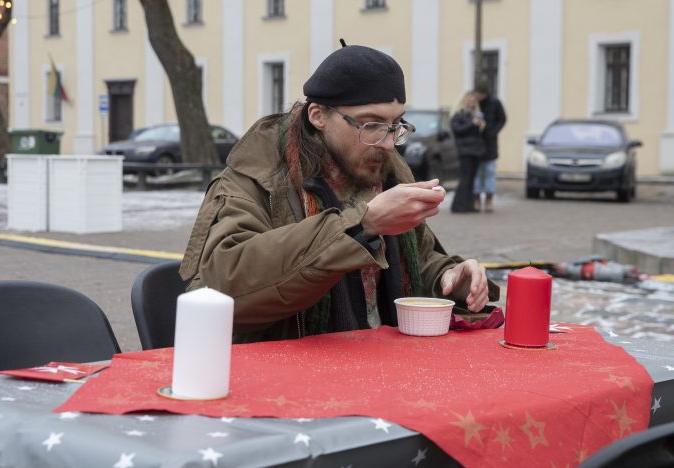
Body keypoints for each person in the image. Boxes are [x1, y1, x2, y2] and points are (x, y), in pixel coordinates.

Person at [180, 43, 499, 342]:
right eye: (370, 124)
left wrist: (450, 278)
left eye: (395, 125)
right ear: (318, 116)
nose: (388, 143)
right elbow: (222, 286)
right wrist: (362, 226)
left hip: (386, 369)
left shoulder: (386, 169)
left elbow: (417, 259)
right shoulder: (257, 176)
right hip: (286, 373)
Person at [472, 81, 507, 213]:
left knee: (489, 173)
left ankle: (488, 200)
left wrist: (493, 132)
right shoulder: (474, 103)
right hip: (475, 144)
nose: (478, 96)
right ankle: (476, 200)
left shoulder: (495, 103)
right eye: (477, 93)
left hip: (490, 144)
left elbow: (502, 119)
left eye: (480, 94)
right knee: (477, 174)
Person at [449, 92, 486, 213]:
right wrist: (472, 124)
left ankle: (468, 205)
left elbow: (478, 134)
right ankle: (458, 205)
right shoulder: (458, 115)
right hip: (465, 151)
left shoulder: (475, 115)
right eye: (469, 100)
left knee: (471, 179)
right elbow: (457, 130)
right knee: (465, 178)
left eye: (473, 100)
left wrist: (481, 125)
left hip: (475, 151)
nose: (472, 102)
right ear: (464, 101)